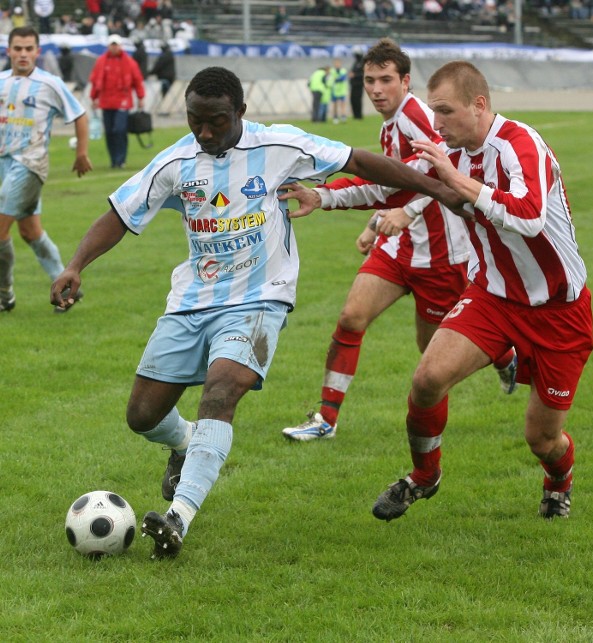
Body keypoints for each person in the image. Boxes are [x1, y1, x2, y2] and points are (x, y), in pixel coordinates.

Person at [50, 66, 466, 559]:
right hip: (192, 300)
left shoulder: (280, 145)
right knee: (141, 416)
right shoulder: (175, 161)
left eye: (217, 121)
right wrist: (76, 264)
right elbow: (120, 214)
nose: (204, 132)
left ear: (241, 113)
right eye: (195, 120)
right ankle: (184, 444)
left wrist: (436, 188)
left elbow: (361, 160)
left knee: (221, 390)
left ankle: (178, 518)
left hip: (260, 297)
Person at [289, 61, 593, 521]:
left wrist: (453, 180)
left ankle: (558, 482)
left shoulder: (519, 143)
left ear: (479, 105)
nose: (437, 123)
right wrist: (325, 196)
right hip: (492, 297)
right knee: (427, 380)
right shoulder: (449, 152)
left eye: (446, 111)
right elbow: (393, 184)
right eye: (434, 112)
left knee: (542, 439)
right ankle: (424, 476)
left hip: (559, 311)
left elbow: (529, 216)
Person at [282, 38, 515, 442]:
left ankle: (505, 354)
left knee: (432, 356)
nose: (375, 89)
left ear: (405, 81)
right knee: (352, 318)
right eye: (369, 80)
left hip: (441, 256)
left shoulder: (418, 116)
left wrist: (405, 211)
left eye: (385, 80)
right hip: (399, 248)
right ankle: (326, 419)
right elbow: (391, 182)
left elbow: (439, 170)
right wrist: (375, 222)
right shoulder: (391, 123)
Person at [0, 26, 92, 314]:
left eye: (29, 49)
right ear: (9, 51)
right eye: (18, 48)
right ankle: (68, 290)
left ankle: (4, 294)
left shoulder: (49, 83)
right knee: (30, 232)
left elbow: (79, 114)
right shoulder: (1, 81)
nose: (23, 54)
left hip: (29, 165)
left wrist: (81, 153)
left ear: (38, 52)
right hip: (4, 164)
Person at [89, 34, 145, 169]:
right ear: (109, 46)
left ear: (120, 46)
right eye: (112, 45)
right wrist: (94, 97)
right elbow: (96, 80)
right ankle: (114, 160)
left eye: (116, 44)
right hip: (106, 101)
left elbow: (137, 80)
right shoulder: (101, 61)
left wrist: (140, 97)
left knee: (120, 130)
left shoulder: (129, 62)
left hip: (122, 101)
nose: (114, 47)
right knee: (109, 132)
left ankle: (121, 159)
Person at [328, 58, 348, 124]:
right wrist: (336, 79)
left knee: (342, 104)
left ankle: (343, 116)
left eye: (338, 63)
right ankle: (335, 117)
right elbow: (331, 79)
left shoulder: (343, 70)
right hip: (334, 90)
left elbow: (342, 78)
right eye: (336, 63)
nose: (337, 65)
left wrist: (336, 78)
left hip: (342, 90)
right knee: (335, 104)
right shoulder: (332, 71)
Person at [349, 47, 365, 120]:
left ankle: (359, 115)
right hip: (353, 85)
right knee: (353, 99)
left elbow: (363, 74)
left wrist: (355, 75)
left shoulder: (362, 63)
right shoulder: (356, 62)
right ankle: (355, 115)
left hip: (359, 85)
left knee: (358, 100)